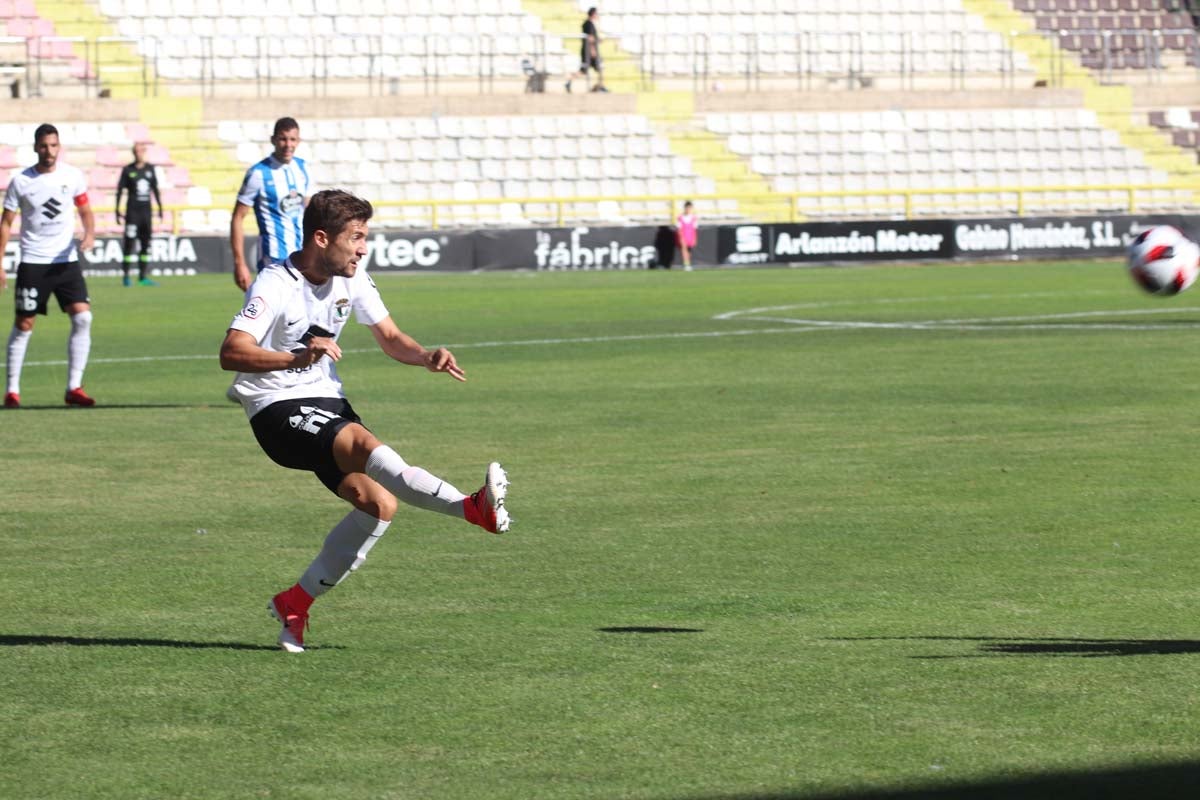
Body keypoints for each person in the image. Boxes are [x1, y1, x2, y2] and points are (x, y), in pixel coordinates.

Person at [218, 189, 511, 653]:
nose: (362, 248)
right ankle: (472, 508)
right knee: (358, 441)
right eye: (355, 237)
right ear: (321, 237)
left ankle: (295, 603)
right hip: (275, 409)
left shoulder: (352, 278)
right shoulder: (276, 283)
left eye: (365, 237)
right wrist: (294, 358)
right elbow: (231, 352)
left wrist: (425, 355)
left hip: (326, 402)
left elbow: (391, 337)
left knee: (378, 506)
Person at [0, 123, 96, 409]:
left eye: (53, 145)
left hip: (65, 261)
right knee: (24, 324)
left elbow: (86, 210)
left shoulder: (73, 176)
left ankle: (74, 388)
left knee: (83, 318)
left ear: (59, 147)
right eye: (44, 146)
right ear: (35, 147)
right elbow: (6, 223)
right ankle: (12, 390)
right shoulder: (21, 181)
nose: (49, 151)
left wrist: (89, 233)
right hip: (33, 262)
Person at [229, 117, 315, 292]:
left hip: (303, 256)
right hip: (274, 258)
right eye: (283, 139)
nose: (288, 144)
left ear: (298, 141)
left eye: (292, 139)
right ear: (273, 140)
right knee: (274, 314)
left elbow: (310, 211)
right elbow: (238, 217)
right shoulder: (258, 173)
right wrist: (240, 263)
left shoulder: (303, 168)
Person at [114, 141, 164, 287]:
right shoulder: (128, 170)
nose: (139, 153)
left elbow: (155, 189)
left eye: (141, 151)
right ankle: (126, 276)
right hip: (132, 213)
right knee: (129, 244)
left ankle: (142, 276)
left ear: (144, 152)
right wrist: (117, 210)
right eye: (136, 151)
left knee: (145, 244)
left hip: (146, 213)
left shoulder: (150, 169)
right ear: (133, 153)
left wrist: (160, 208)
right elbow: (120, 191)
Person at [565, 8, 607, 93]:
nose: (598, 15)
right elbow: (590, 38)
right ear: (593, 14)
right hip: (589, 52)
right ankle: (599, 87)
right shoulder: (589, 24)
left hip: (588, 51)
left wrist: (597, 40)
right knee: (594, 69)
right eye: (597, 13)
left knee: (595, 69)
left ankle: (599, 86)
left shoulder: (587, 24)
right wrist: (593, 51)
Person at [676, 200, 698, 271]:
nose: (688, 209)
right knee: (684, 249)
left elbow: (694, 229)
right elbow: (679, 228)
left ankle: (688, 263)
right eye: (687, 208)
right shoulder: (680, 217)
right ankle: (686, 264)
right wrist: (681, 237)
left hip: (690, 236)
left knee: (689, 250)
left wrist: (694, 238)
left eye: (689, 208)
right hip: (684, 235)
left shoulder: (693, 218)